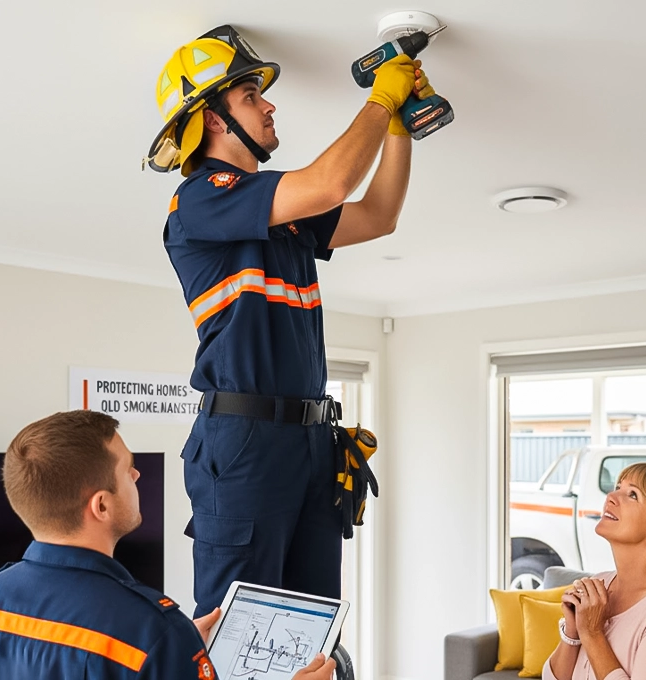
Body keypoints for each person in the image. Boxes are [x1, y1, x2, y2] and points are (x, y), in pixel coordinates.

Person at [147, 25, 433, 616]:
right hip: (244, 440)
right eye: (251, 96)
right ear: (213, 120)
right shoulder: (200, 199)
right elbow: (331, 182)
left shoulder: (285, 214)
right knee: (241, 630)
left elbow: (378, 216)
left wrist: (400, 126)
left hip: (311, 438)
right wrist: (379, 98)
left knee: (311, 626)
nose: (269, 103)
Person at [0, 410, 335, 680]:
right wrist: (169, 647)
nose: (138, 473)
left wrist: (176, 648)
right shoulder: (152, 631)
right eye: (127, 469)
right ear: (102, 504)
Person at [544, 463, 646, 680]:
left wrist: (592, 633)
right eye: (618, 487)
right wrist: (573, 631)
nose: (611, 496)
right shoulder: (599, 583)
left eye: (632, 494)